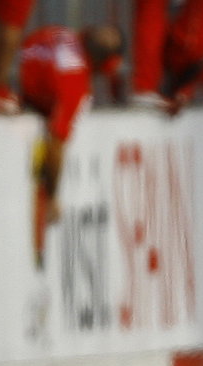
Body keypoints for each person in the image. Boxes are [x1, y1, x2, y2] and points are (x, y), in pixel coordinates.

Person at [20, 24, 125, 256]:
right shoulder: (76, 82)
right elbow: (56, 141)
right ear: (109, 65)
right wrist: (53, 196)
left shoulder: (59, 33)